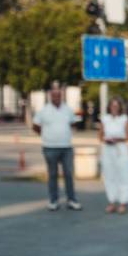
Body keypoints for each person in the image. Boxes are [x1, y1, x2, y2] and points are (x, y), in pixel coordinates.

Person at [32, 82, 82, 211]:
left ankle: (72, 200)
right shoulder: (44, 110)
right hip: (50, 147)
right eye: (54, 95)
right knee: (53, 175)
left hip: (66, 147)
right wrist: (47, 135)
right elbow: (36, 126)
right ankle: (53, 201)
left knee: (69, 174)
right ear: (50, 96)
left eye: (59, 95)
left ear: (62, 96)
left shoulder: (68, 109)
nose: (57, 98)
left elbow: (72, 123)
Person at [98, 97, 128, 214]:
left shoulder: (124, 119)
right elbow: (100, 136)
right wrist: (106, 140)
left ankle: (123, 202)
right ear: (109, 107)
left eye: (116, 106)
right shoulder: (104, 119)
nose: (114, 108)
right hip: (108, 150)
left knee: (123, 175)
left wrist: (119, 139)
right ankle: (112, 201)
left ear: (120, 107)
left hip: (120, 149)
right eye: (112, 106)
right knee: (110, 175)